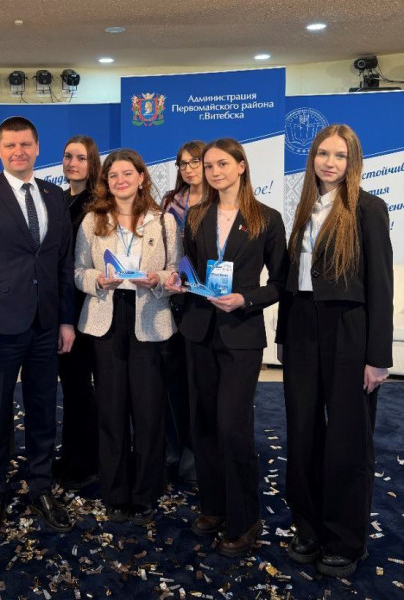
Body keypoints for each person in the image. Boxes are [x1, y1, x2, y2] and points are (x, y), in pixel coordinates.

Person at [276, 124, 393, 577]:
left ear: (353, 161)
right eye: (323, 153)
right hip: (302, 328)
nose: (330, 163)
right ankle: (307, 527)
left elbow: (381, 284)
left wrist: (378, 357)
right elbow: (292, 279)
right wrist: (284, 335)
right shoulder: (305, 207)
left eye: (340, 155)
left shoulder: (368, 208)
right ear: (312, 158)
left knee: (347, 436)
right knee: (302, 430)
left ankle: (345, 538)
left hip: (349, 328)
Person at [165, 138, 287, 557]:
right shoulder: (198, 215)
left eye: (222, 164)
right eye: (208, 166)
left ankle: (245, 519)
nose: (214, 172)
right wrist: (178, 278)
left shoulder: (266, 218)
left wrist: (246, 299)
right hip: (199, 331)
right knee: (202, 424)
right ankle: (214, 506)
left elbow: (280, 283)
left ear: (241, 166)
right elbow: (189, 267)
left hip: (241, 335)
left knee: (233, 427)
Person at [0, 116, 76, 542]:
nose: (18, 152)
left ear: (37, 147)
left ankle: (41, 487)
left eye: (25, 144)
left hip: (46, 325)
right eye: (9, 145)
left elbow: (62, 262)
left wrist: (66, 319)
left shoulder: (54, 196)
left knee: (44, 411)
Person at [75, 148, 181, 524]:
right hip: (106, 318)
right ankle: (115, 491)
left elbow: (175, 270)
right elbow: (78, 271)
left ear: (141, 177)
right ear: (106, 182)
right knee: (111, 409)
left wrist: (159, 279)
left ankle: (146, 491)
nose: (120, 180)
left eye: (127, 173)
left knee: (149, 410)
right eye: (113, 175)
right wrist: (96, 280)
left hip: (150, 317)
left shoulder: (163, 221)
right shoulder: (92, 220)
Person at [54, 135, 101, 491]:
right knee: (71, 387)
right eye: (68, 156)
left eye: (81, 158)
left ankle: (87, 461)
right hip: (62, 303)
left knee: (82, 388)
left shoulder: (99, 204)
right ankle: (72, 454)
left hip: (89, 307)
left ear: (92, 162)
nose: (72, 163)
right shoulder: (58, 199)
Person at [160, 140, 206, 484]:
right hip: (172, 300)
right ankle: (171, 452)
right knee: (170, 382)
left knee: (198, 384)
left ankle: (196, 456)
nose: (189, 169)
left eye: (195, 161)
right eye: (183, 163)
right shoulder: (169, 203)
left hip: (206, 301)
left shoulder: (222, 203)